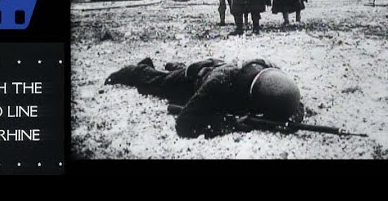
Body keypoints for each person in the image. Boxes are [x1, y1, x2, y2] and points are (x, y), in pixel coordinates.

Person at [105, 57, 304, 138]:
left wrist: (289, 120)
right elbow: (184, 124)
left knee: (177, 72)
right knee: (157, 83)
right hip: (194, 81)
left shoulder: (271, 75)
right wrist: (228, 123)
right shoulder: (219, 86)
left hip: (218, 66)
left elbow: (292, 102)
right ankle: (136, 69)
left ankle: (173, 65)